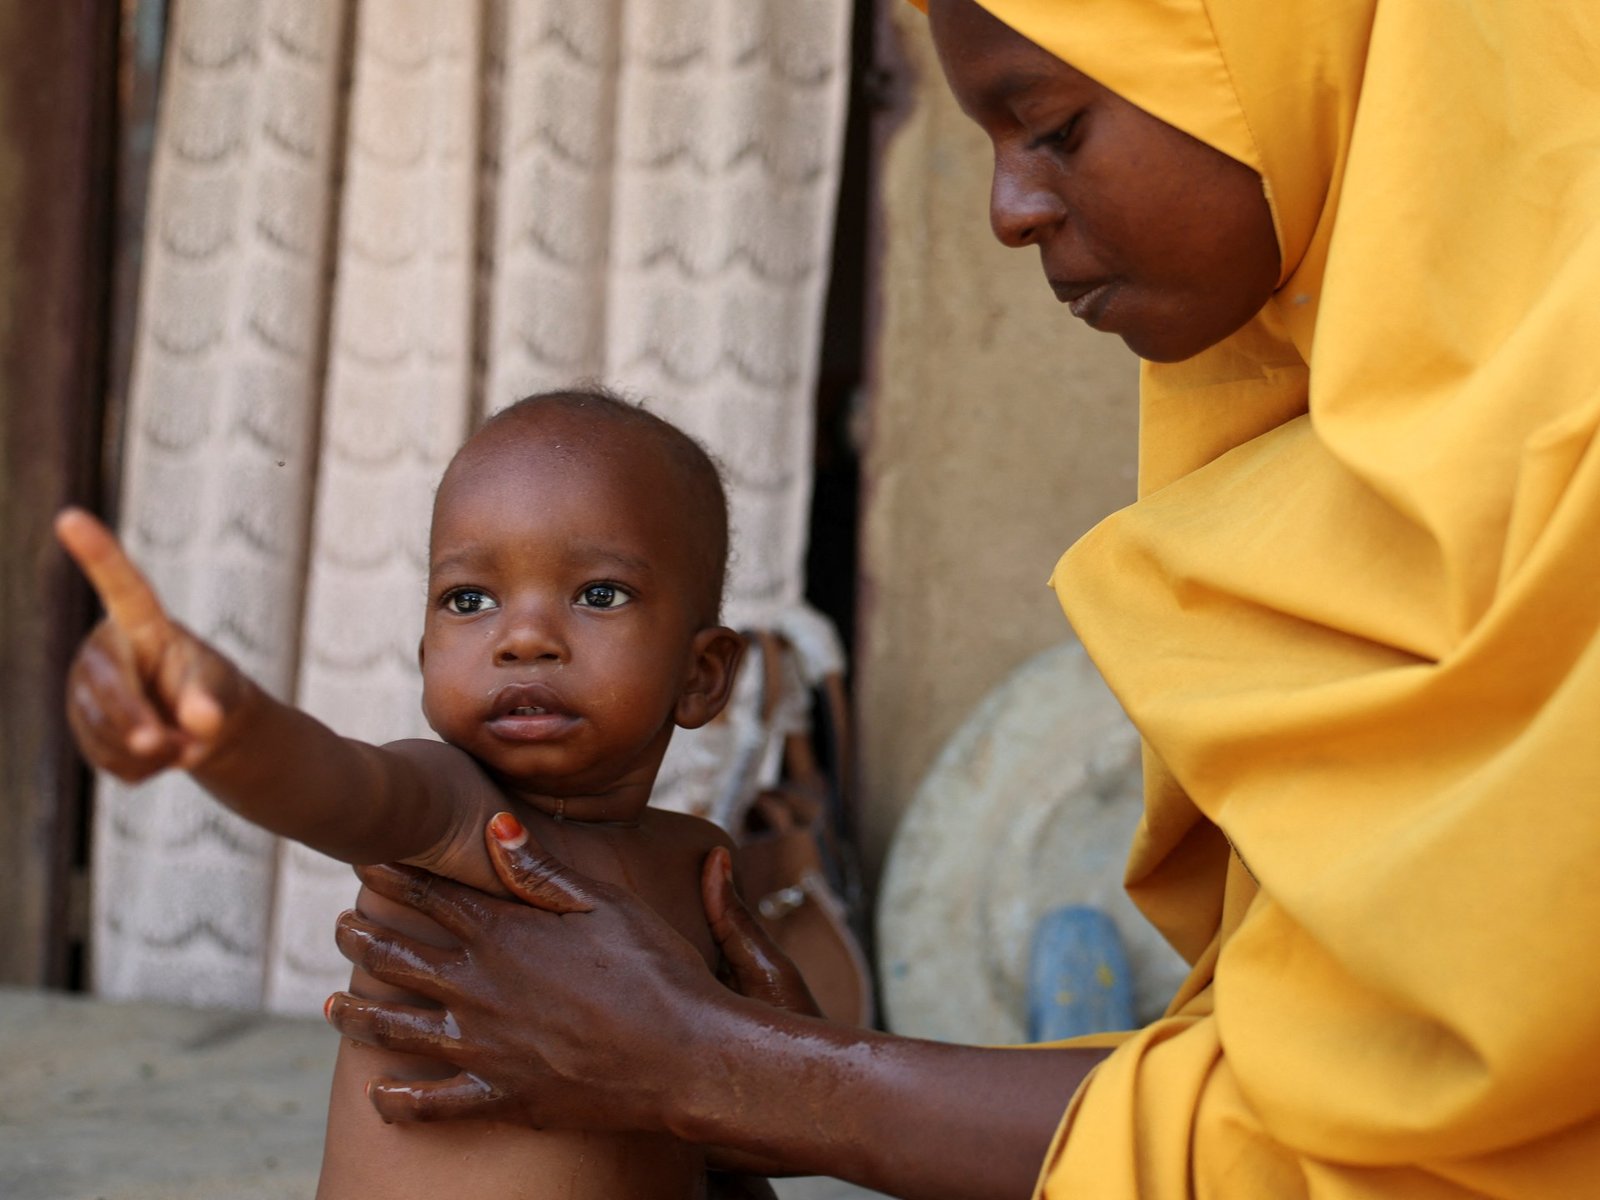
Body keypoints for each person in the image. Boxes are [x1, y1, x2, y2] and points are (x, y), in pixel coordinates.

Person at [321, 0, 1600, 1196]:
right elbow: (1343, 1077)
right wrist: (727, 1067)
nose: (1007, 209)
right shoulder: (1420, 424)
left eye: (1053, 126)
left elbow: (1405, 1143)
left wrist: (723, 1071)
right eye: (466, 601)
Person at [58, 388, 764, 1199]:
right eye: (471, 600)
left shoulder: (700, 863)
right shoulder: (455, 815)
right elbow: (333, 784)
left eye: (598, 593)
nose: (524, 637)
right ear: (426, 652)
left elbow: (719, 1139)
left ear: (702, 675)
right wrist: (226, 723)